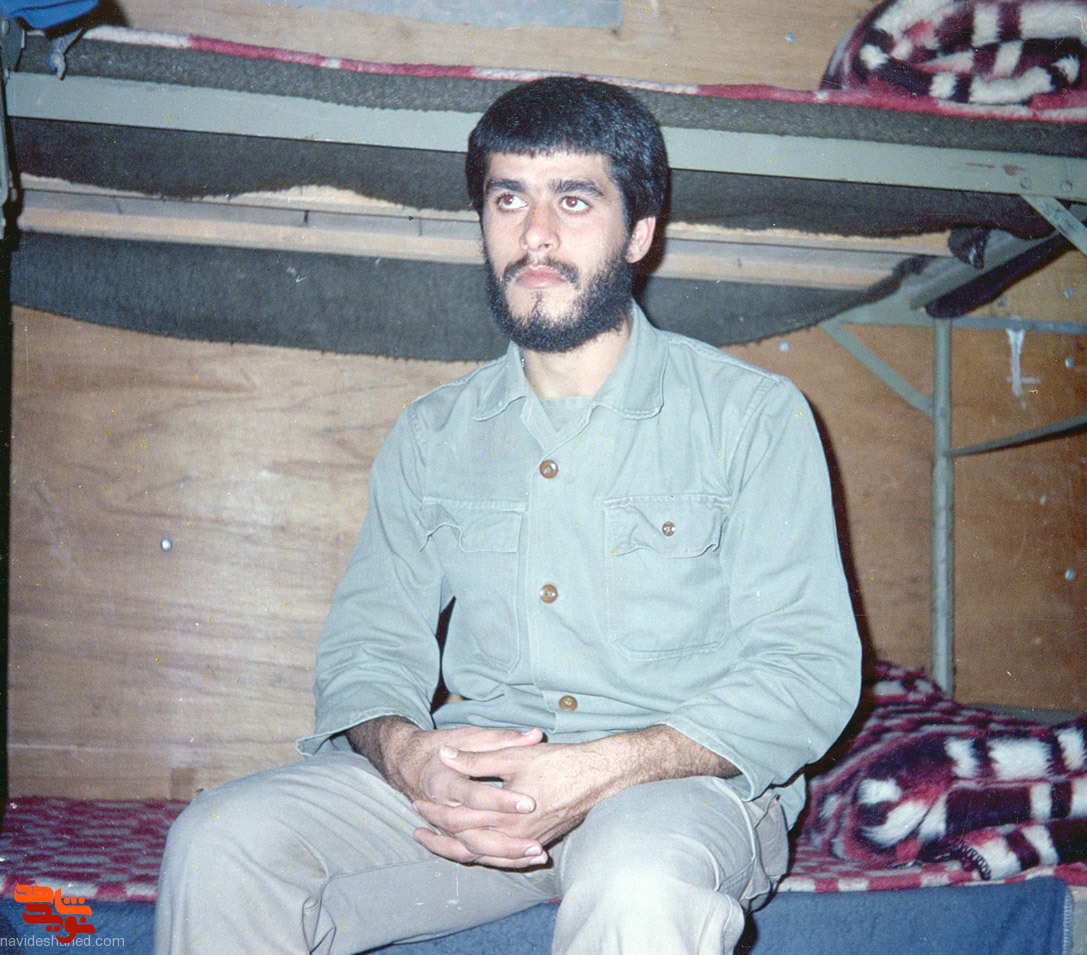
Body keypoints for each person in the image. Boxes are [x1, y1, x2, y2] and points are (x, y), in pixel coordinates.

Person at [156, 76, 861, 955]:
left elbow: (808, 669)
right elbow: (367, 648)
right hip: (479, 782)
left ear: (639, 232)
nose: (536, 235)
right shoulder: (432, 433)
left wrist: (603, 767)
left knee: (639, 887)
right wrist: (410, 755)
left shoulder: (752, 417)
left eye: (575, 200)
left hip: (673, 787)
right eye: (508, 199)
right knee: (220, 842)